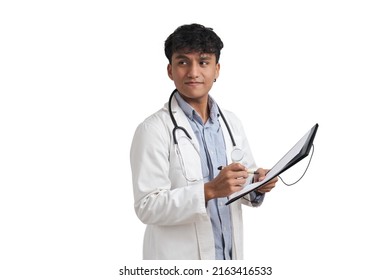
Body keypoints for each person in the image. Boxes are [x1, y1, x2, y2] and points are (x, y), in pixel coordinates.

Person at [130, 23, 278, 260]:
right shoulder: (153, 129)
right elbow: (147, 206)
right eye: (183, 62)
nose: (193, 72)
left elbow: (242, 180)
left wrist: (257, 184)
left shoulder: (232, 123)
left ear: (217, 69)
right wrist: (208, 190)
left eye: (203, 61)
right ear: (170, 70)